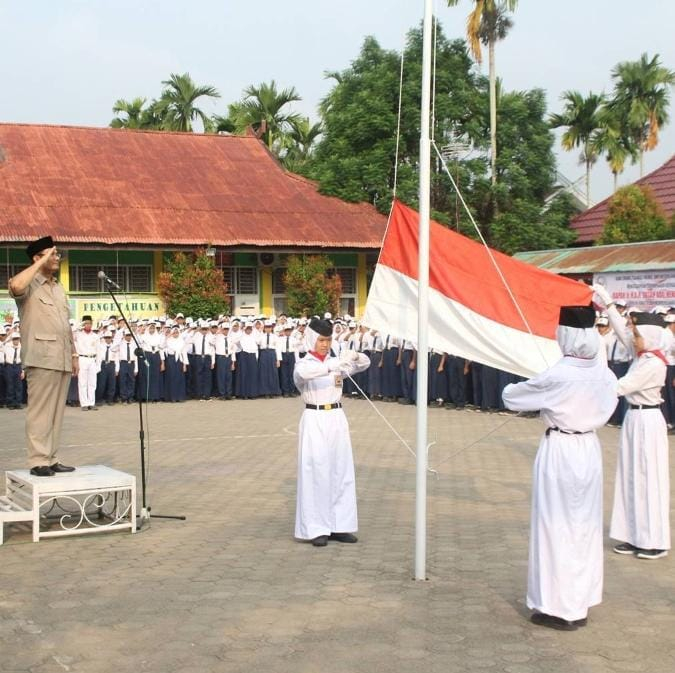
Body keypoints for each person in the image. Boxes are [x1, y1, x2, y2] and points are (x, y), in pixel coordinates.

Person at [502, 305, 617, 630]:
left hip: (561, 449)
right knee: (584, 526)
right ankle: (578, 602)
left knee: (555, 525)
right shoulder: (604, 373)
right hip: (589, 448)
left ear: (563, 334)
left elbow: (512, 397)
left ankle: (557, 605)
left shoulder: (558, 373)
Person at [594, 285, 671, 560]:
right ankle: (631, 534)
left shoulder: (654, 364)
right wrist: (608, 304)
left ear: (650, 336)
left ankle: (654, 540)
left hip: (648, 420)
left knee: (648, 479)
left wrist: (581, 384)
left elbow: (620, 386)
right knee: (630, 476)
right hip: (633, 419)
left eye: (637, 334)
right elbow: (622, 331)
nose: (633, 338)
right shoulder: (642, 356)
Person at [293, 317, 370, 547]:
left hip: (336, 417)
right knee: (316, 472)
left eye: (328, 340)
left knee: (340, 470)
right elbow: (307, 374)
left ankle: (340, 525)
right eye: (320, 340)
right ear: (311, 340)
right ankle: (316, 528)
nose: (325, 344)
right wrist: (335, 364)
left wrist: (354, 356)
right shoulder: (304, 363)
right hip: (315, 417)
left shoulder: (335, 361)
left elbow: (364, 363)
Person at [8, 236, 78, 477]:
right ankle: (38, 460)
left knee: (57, 411)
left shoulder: (58, 287)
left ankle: (51, 457)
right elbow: (15, 286)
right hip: (40, 356)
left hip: (61, 356)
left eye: (57, 254)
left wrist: (74, 353)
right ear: (37, 258)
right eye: (52, 254)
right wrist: (39, 263)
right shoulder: (29, 284)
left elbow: (65, 325)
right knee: (40, 411)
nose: (57, 257)